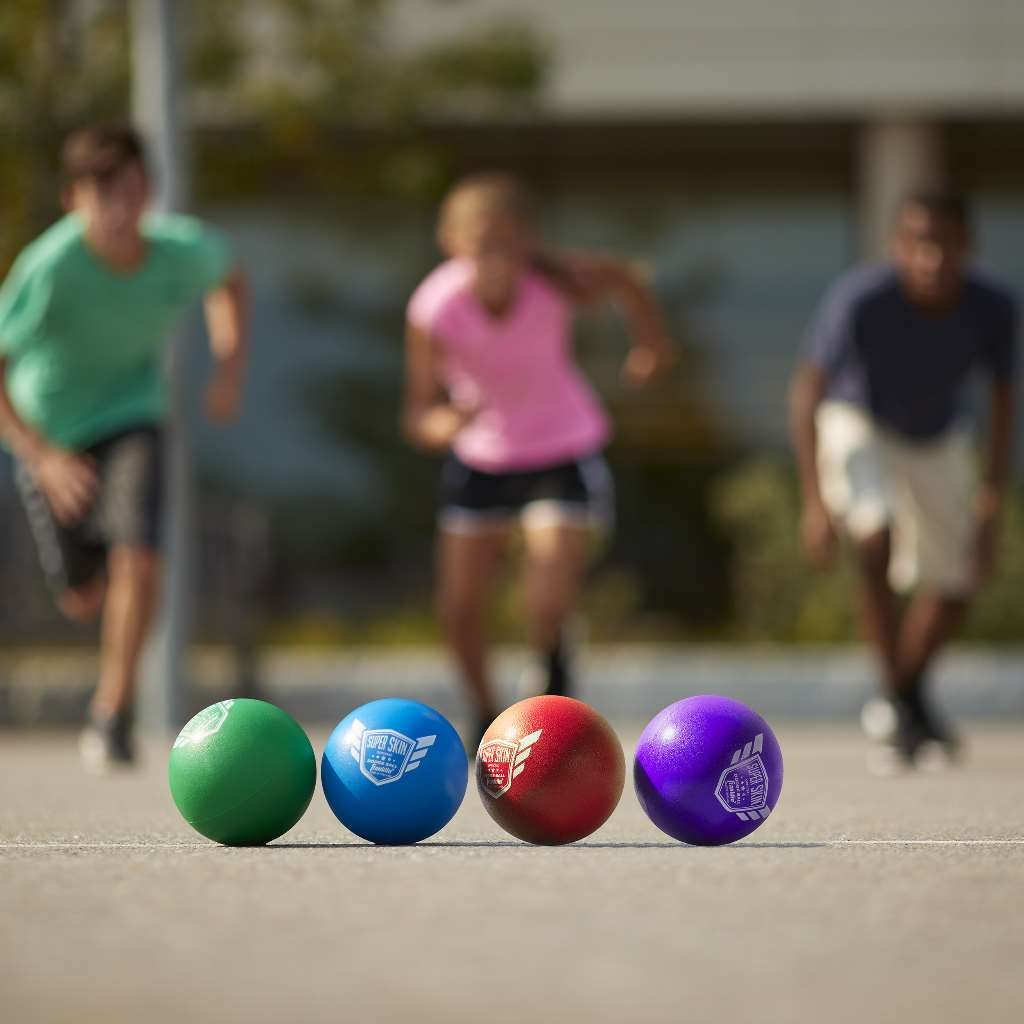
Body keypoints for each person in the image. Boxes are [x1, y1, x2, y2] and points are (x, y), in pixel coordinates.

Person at [0, 123, 247, 770]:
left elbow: (231, 278)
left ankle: (112, 711)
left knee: (139, 554)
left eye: (131, 191)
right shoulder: (49, 269)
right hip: (51, 432)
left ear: (148, 193)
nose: (117, 209)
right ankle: (99, 598)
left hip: (135, 412)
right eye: (101, 195)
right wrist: (42, 457)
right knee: (83, 596)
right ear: (72, 200)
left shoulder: (180, 250)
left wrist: (228, 367)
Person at [403, 172, 673, 745]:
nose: (495, 259)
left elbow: (626, 279)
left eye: (507, 244)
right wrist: (443, 422)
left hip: (560, 447)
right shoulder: (433, 308)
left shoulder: (554, 284)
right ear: (451, 242)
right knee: (460, 608)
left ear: (527, 243)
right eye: (481, 246)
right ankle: (484, 715)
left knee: (546, 590)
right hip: (481, 459)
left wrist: (650, 343)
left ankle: (552, 656)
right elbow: (418, 411)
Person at [789, 190, 1017, 768]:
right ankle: (907, 706)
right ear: (898, 247)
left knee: (958, 575)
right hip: (859, 417)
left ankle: (902, 700)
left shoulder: (993, 306)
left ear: (967, 247)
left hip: (939, 435)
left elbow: (1003, 398)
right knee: (873, 537)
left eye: (946, 243)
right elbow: (807, 391)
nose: (933, 258)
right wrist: (814, 503)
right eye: (919, 243)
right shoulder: (862, 299)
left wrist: (991, 496)